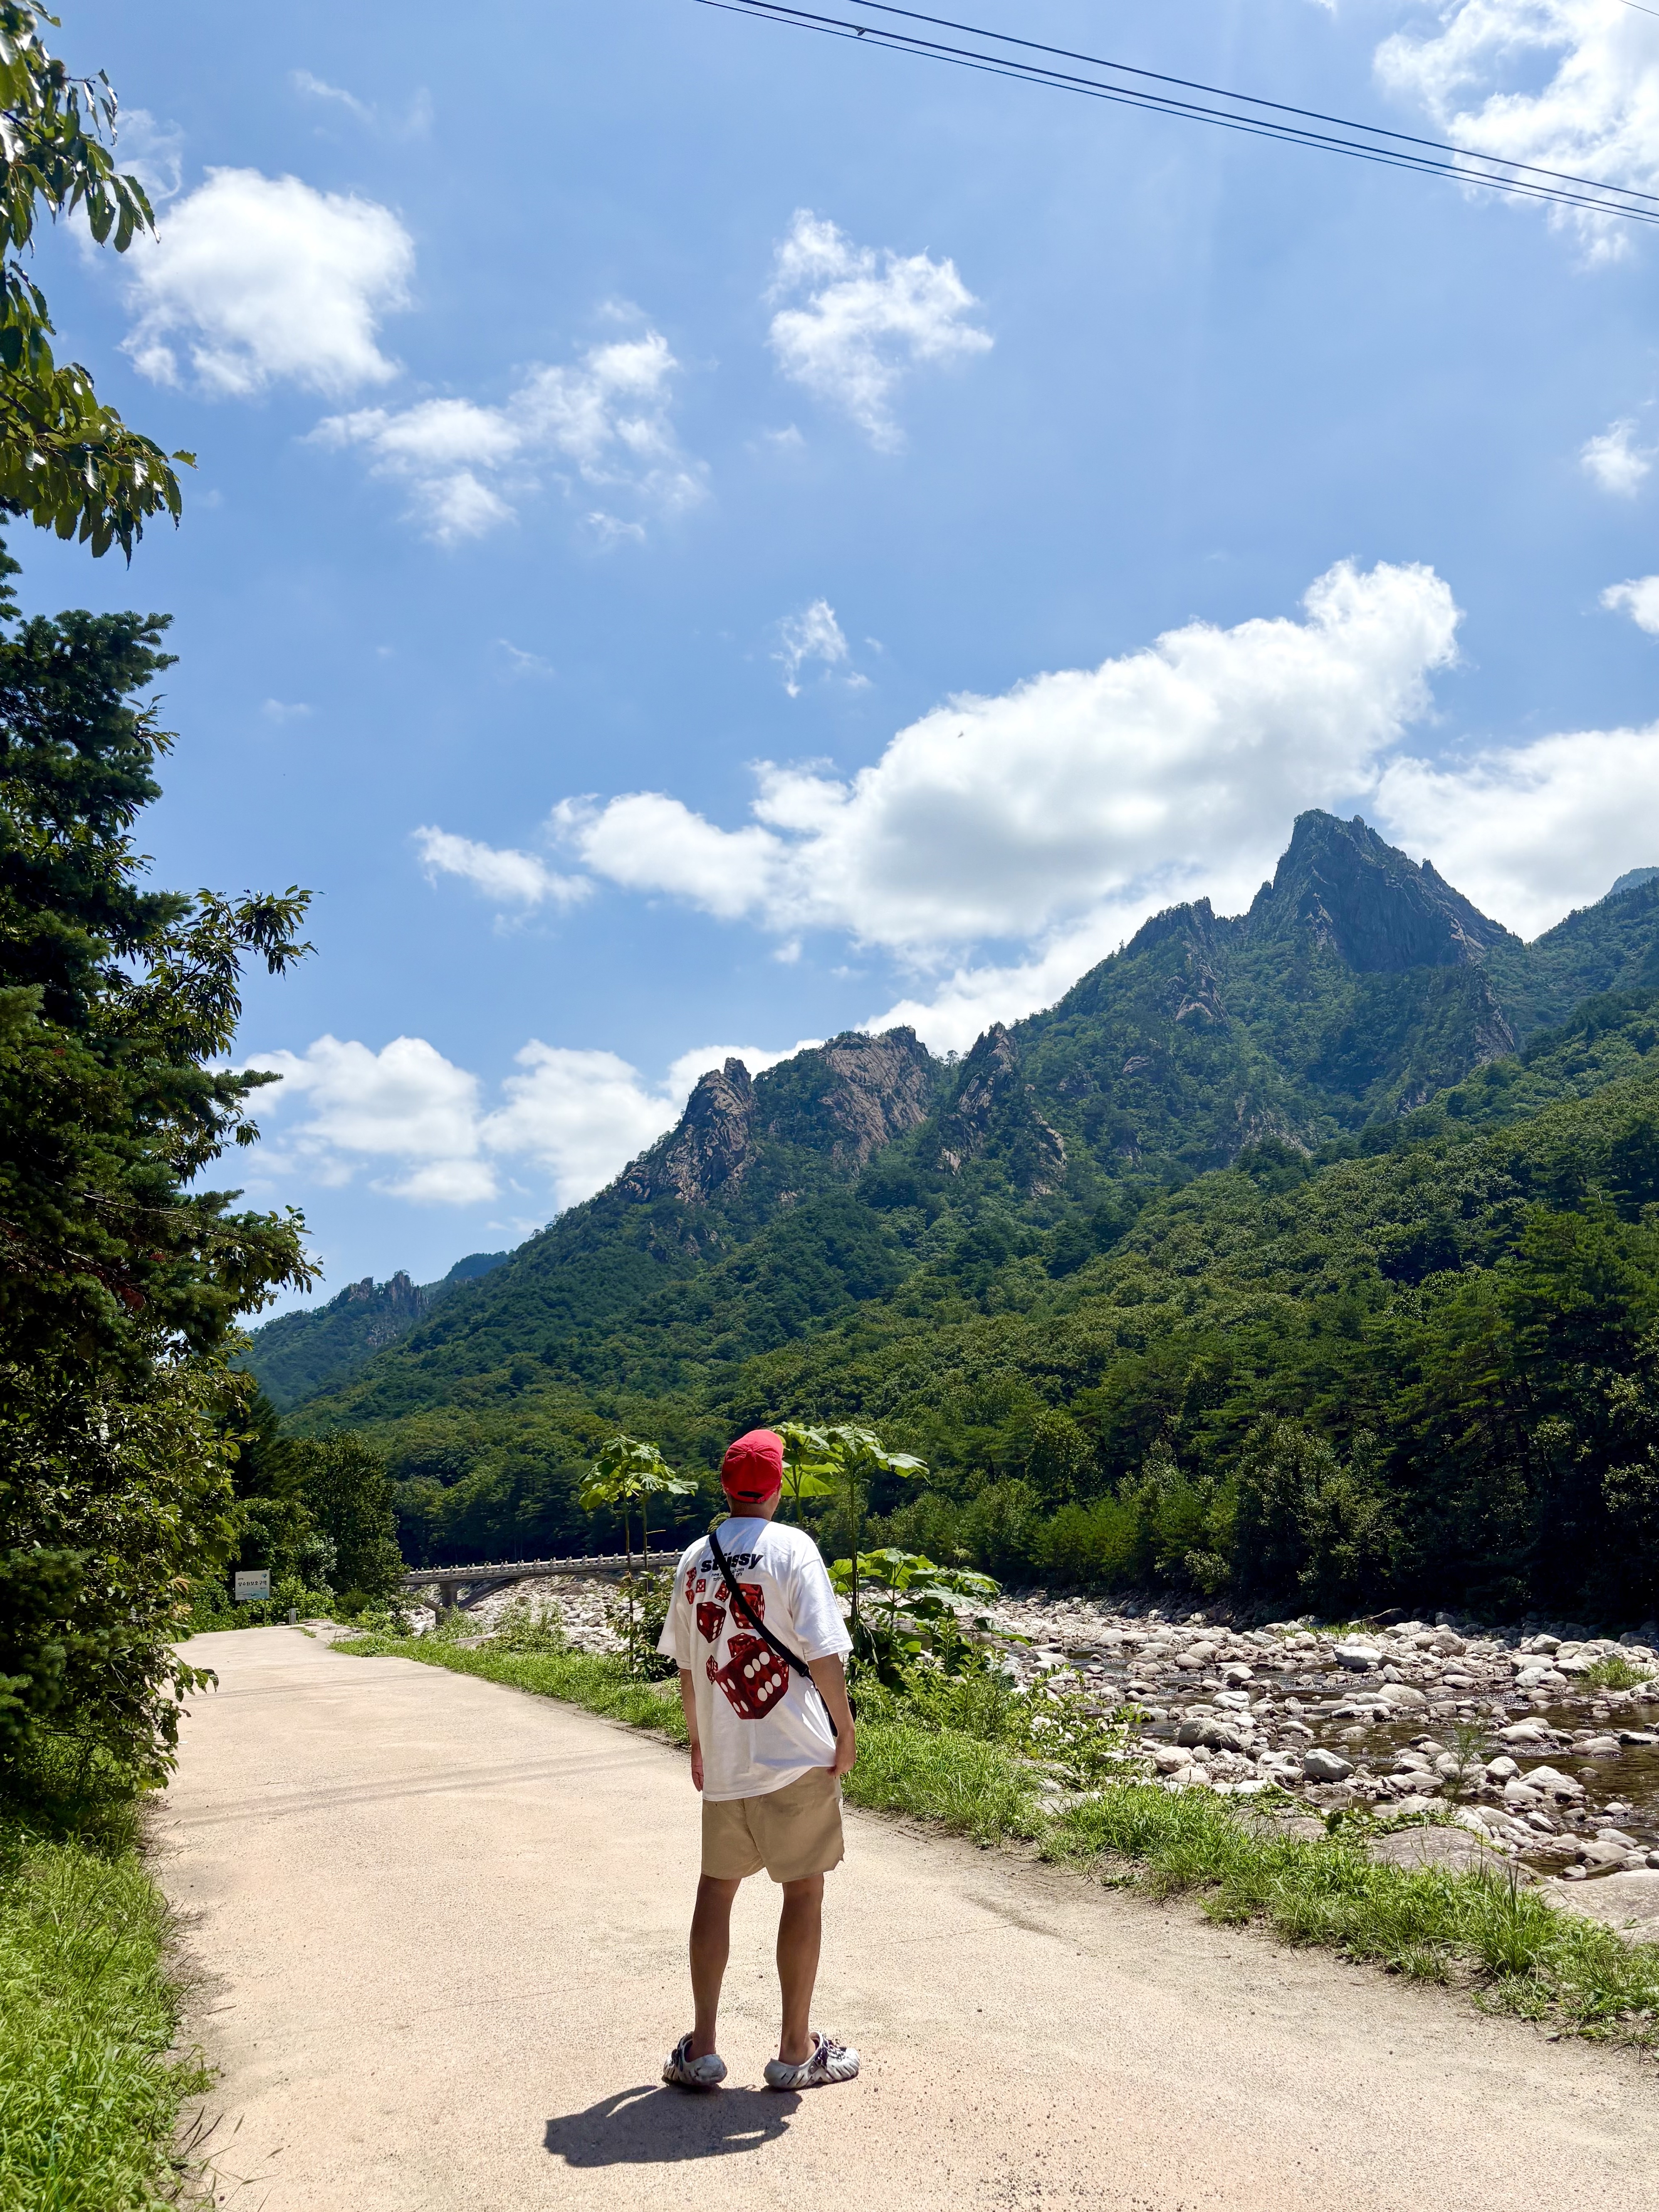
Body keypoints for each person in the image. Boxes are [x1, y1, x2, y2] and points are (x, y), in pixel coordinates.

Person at [658, 1426, 860, 2092]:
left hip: (726, 1756)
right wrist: (845, 1726)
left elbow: (689, 1669)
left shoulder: (695, 1557)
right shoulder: (793, 1547)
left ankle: (703, 2048)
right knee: (801, 1889)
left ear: (726, 1486)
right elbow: (824, 1653)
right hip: (794, 1752)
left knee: (716, 1888)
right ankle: (795, 2051)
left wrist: (698, 1742)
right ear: (776, 1486)